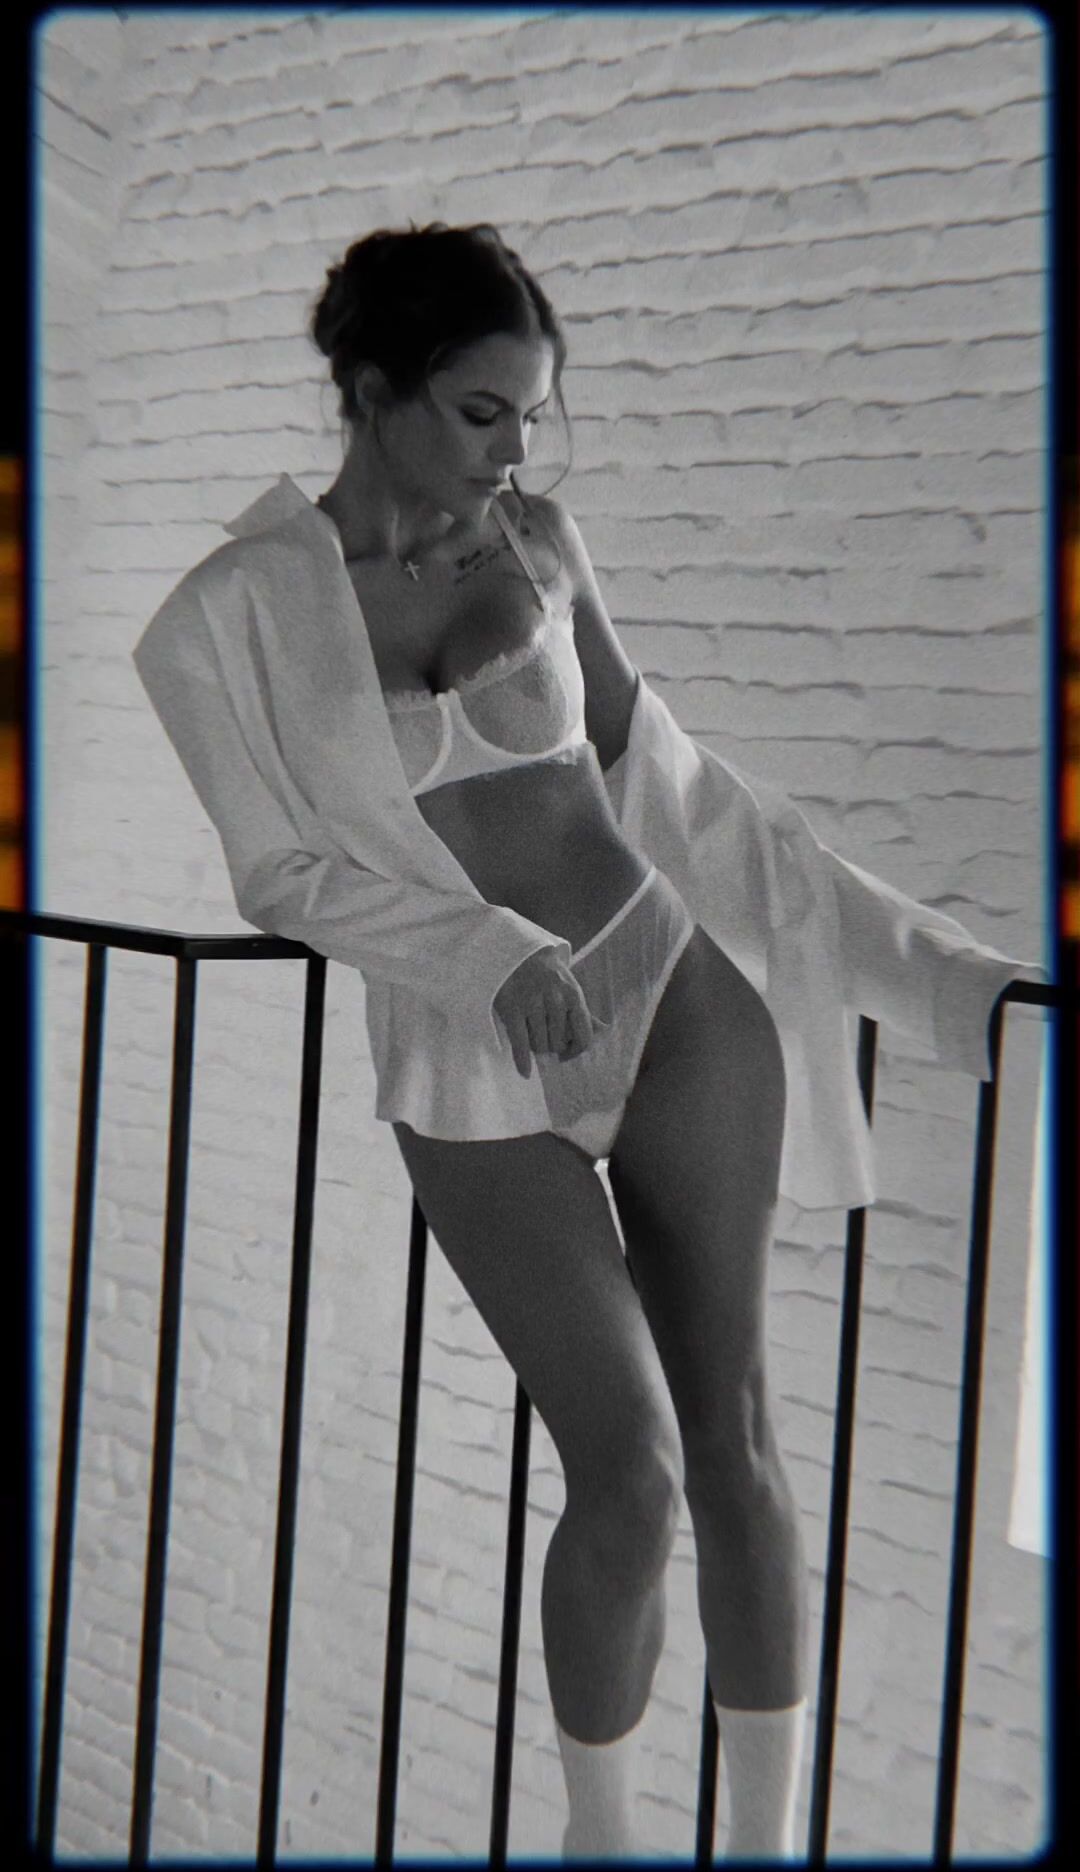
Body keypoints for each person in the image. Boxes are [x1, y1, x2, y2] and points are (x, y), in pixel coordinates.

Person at [132, 222, 1041, 1859]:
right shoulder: (228, 617)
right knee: (628, 1474)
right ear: (373, 391)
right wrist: (487, 952)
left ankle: (761, 1849)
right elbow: (281, 879)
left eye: (534, 417)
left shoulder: (541, 544)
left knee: (738, 1448)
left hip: (672, 997)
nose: (515, 453)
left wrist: (947, 976)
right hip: (474, 1051)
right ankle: (601, 1842)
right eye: (482, 412)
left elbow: (679, 791)